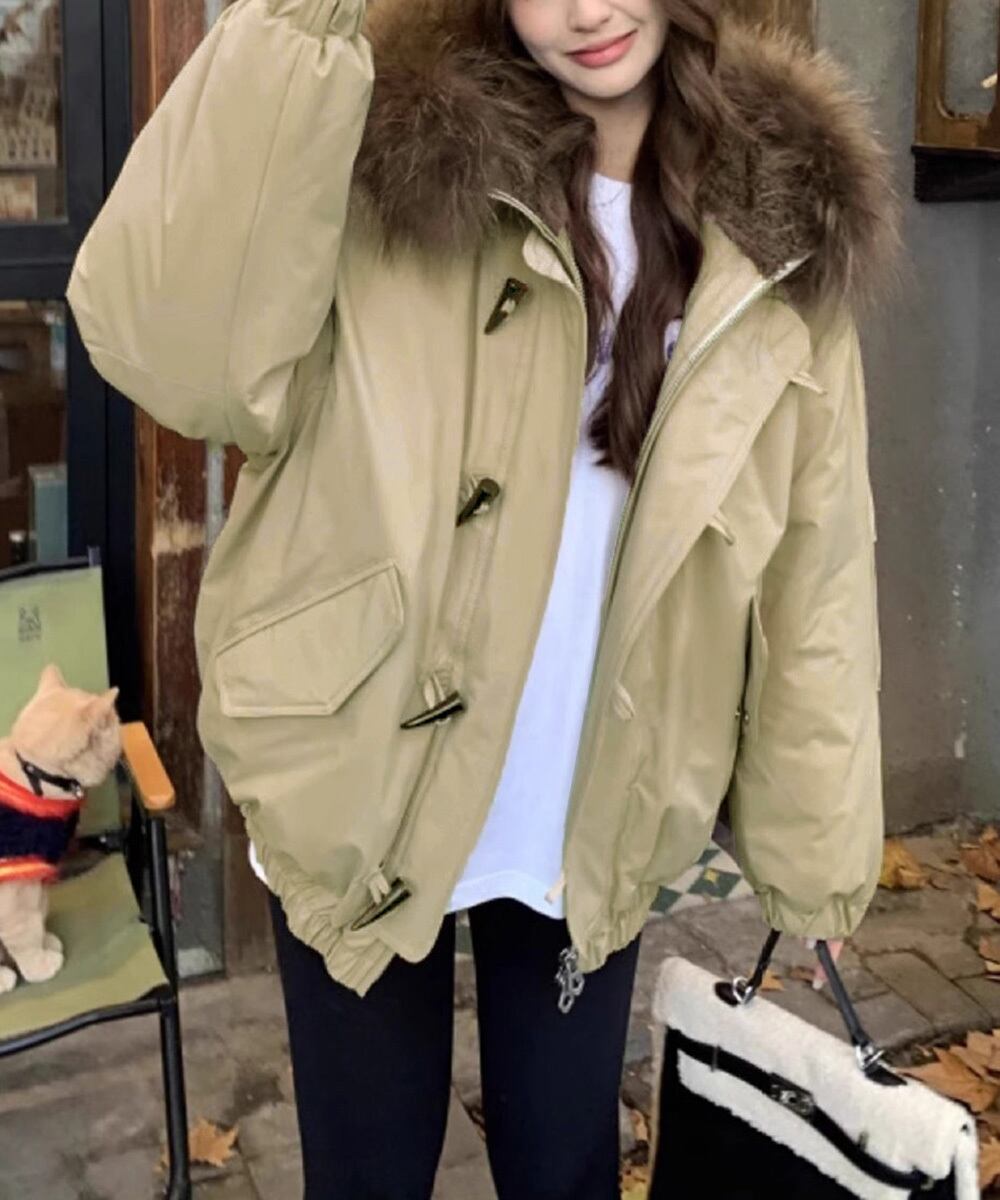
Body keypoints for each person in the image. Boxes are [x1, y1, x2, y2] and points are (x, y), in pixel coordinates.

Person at [65, 0, 897, 1195]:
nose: (587, 11)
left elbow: (813, 565)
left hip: (591, 793)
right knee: (366, 1174)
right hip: (356, 764)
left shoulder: (783, 221)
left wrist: (813, 845)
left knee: (563, 1168)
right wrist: (296, 30)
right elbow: (179, 361)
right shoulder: (384, 139)